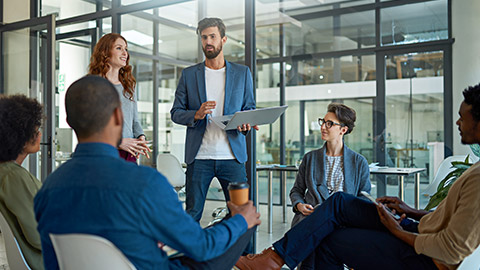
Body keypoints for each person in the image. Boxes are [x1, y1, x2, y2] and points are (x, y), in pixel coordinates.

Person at [235, 83, 480, 270]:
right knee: (338, 202)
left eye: (463, 116)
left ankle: (274, 258)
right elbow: (449, 221)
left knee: (334, 222)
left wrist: (398, 231)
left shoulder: (478, 180)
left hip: (426, 250)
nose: (457, 121)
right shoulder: (310, 158)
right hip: (420, 228)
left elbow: (451, 248)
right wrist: (411, 211)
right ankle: (273, 258)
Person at [34, 76, 261, 270]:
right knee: (237, 224)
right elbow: (202, 247)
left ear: (69, 122)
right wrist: (242, 221)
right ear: (117, 117)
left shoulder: (48, 189)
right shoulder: (145, 183)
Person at [170, 17, 257, 222]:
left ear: (223, 39)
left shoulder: (242, 73)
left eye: (212, 36)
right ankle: (190, 255)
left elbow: (249, 108)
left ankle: (245, 256)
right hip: (199, 157)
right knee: (192, 215)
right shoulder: (189, 75)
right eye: (204, 37)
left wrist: (245, 126)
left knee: (242, 214)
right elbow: (175, 112)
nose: (208, 41)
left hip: (233, 158)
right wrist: (196, 114)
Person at [290, 103, 371, 269]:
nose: (323, 127)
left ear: (343, 130)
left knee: (322, 239)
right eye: (323, 122)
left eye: (330, 124)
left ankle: (276, 257)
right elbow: (297, 190)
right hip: (310, 218)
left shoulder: (359, 162)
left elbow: (364, 198)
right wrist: (299, 205)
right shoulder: (310, 158)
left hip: (342, 222)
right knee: (316, 234)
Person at [88, 33, 150, 163]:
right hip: (105, 153)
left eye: (126, 49)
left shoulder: (129, 86)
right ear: (105, 52)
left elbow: (135, 122)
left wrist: (141, 137)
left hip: (129, 153)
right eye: (119, 48)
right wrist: (119, 142)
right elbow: (91, 127)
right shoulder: (93, 85)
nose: (125, 53)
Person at [0, 95, 44, 270]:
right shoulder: (14, 178)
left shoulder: (7, 173)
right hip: (45, 261)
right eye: (35, 128)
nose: (40, 133)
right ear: (20, 133)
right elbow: (39, 237)